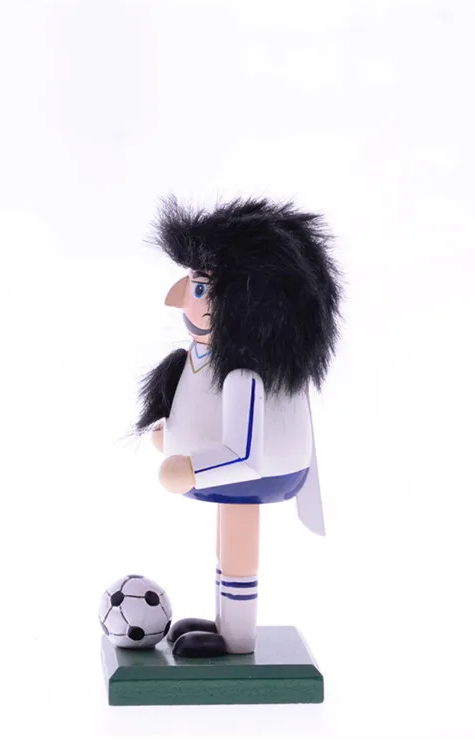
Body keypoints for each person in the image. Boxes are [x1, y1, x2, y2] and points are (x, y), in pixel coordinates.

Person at [136, 197, 342, 657]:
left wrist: (190, 470)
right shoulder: (203, 358)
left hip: (256, 475)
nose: (179, 297)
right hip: (232, 473)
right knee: (226, 541)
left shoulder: (244, 376)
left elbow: (246, 456)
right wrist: (171, 438)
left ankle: (238, 636)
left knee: (235, 539)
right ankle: (226, 622)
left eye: (200, 287)